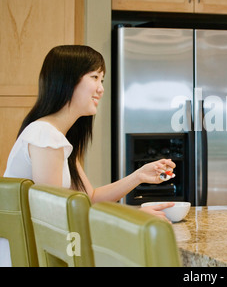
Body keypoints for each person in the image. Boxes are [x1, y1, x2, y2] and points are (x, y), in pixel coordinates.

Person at [1, 46, 177, 266]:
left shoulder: (57, 138)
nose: (101, 89)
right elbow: (54, 217)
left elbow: (89, 198)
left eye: (101, 79)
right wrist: (134, 220)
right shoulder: (45, 136)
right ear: (66, 81)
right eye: (94, 77)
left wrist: (139, 176)